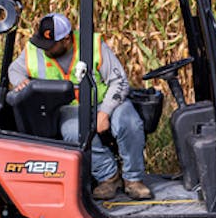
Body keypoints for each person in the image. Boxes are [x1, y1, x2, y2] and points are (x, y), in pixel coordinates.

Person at [8, 12, 154, 201]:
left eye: (51, 45)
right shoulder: (33, 49)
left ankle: (133, 179)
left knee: (129, 122)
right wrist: (20, 81)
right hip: (70, 109)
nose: (45, 49)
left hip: (106, 101)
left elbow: (119, 82)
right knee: (72, 131)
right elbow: (14, 69)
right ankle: (109, 177)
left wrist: (104, 112)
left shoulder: (93, 45)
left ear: (66, 39)